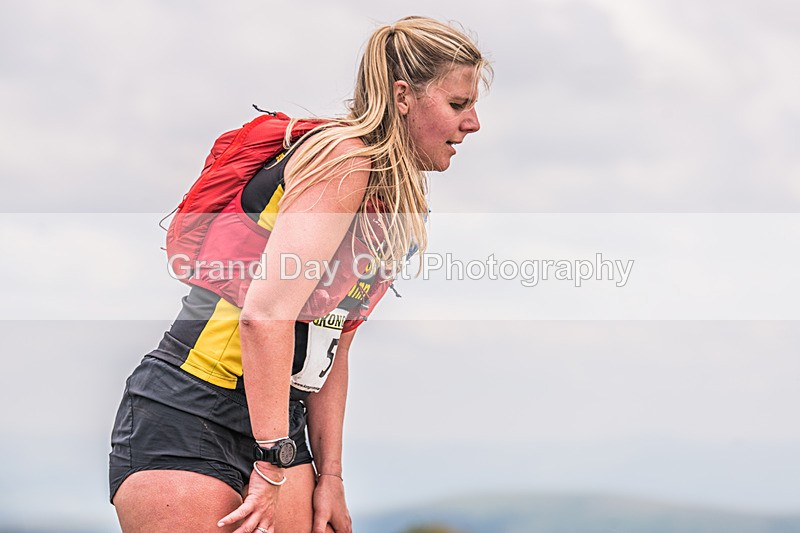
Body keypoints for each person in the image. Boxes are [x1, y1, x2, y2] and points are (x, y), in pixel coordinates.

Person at [109, 15, 491, 533]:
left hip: (280, 423)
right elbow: (265, 318)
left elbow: (335, 341)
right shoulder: (343, 159)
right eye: (458, 104)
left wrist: (329, 473)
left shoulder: (390, 196)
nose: (472, 123)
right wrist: (271, 461)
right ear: (403, 96)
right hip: (192, 405)